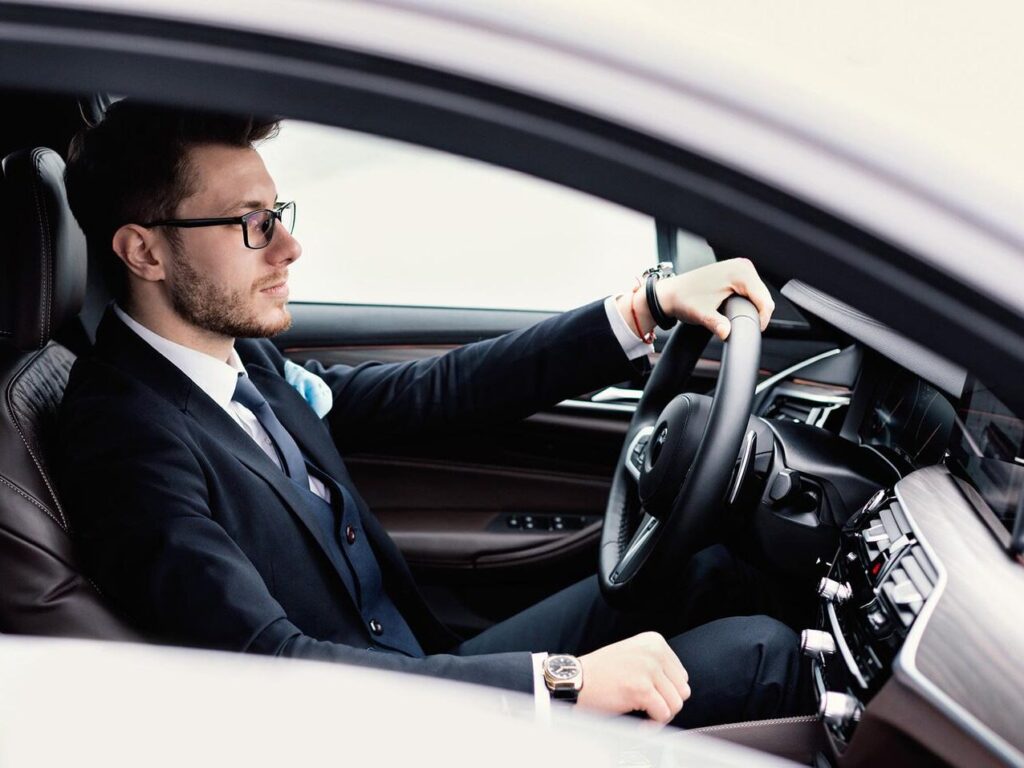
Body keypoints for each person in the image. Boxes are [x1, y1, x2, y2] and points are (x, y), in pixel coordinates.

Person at [58, 100, 802, 729]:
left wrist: (644, 309)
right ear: (144, 253)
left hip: (417, 669)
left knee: (711, 571)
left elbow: (433, 392)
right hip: (388, 729)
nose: (290, 246)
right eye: (250, 224)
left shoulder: (240, 357)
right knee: (762, 653)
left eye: (278, 212)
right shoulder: (121, 435)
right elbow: (267, 667)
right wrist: (559, 683)